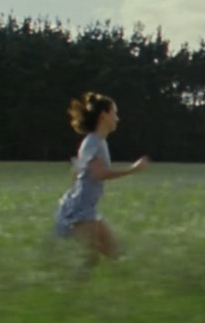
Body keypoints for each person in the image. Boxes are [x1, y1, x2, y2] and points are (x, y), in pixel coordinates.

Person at [53, 92, 149, 263]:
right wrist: (132, 169)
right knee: (92, 258)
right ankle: (66, 285)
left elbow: (76, 172)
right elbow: (98, 175)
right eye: (115, 113)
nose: (117, 119)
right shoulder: (93, 142)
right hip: (80, 211)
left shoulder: (97, 142)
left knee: (113, 253)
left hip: (86, 208)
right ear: (104, 115)